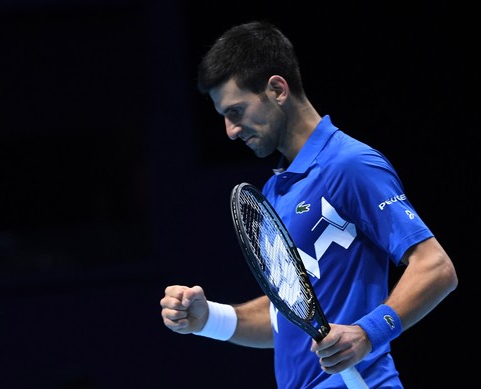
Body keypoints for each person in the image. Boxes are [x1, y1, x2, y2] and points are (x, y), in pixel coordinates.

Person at [159, 20, 458, 388]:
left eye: (236, 111)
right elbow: (286, 319)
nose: (230, 131)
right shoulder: (273, 191)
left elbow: (436, 267)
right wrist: (207, 319)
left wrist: (367, 333)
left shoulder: (349, 164)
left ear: (277, 89)